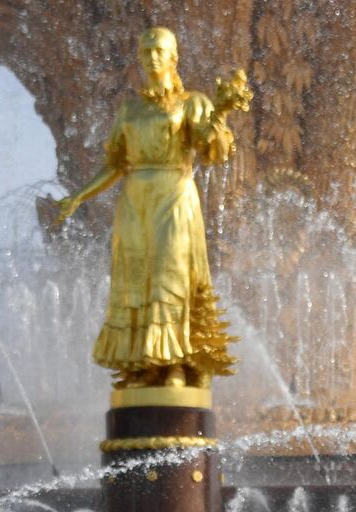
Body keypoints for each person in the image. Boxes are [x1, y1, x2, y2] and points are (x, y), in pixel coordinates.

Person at [54, 27, 249, 390]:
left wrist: (220, 115)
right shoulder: (129, 109)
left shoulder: (193, 102)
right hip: (134, 199)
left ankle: (174, 364)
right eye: (145, 52)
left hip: (174, 192)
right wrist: (78, 196)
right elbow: (115, 164)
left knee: (169, 275)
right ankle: (142, 366)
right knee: (135, 278)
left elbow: (213, 150)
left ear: (174, 57)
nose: (151, 57)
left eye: (158, 50)